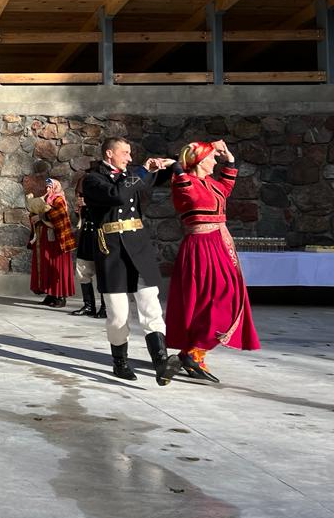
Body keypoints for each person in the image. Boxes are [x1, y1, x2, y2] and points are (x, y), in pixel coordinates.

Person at [81, 136, 182, 386]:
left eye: (130, 153)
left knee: (151, 305)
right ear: (109, 154)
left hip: (139, 248)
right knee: (118, 315)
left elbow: (163, 177)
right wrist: (143, 170)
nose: (129, 157)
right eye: (125, 152)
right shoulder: (93, 179)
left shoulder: (132, 175)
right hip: (112, 251)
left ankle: (161, 362)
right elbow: (117, 194)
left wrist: (173, 163)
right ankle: (120, 362)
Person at [166, 140, 260, 382]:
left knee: (228, 297)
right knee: (213, 300)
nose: (215, 161)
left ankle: (192, 354)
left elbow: (227, 185)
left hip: (219, 245)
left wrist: (230, 159)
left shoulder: (212, 184)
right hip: (201, 248)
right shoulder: (184, 183)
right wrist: (177, 167)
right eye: (212, 157)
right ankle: (192, 354)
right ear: (199, 161)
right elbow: (189, 192)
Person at [27, 178, 76, 309]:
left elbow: (59, 216)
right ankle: (50, 294)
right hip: (46, 239)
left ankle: (60, 296)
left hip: (57, 240)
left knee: (57, 265)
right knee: (47, 265)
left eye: (50, 187)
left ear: (56, 187)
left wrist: (41, 216)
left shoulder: (59, 200)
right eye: (47, 187)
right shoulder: (46, 200)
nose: (48, 189)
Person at [72, 173, 107, 318]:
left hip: (99, 237)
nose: (80, 194)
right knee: (82, 271)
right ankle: (88, 306)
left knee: (102, 273)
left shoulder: (103, 195)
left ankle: (105, 307)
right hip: (86, 237)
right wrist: (79, 212)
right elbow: (83, 220)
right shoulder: (83, 198)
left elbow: (106, 213)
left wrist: (90, 204)